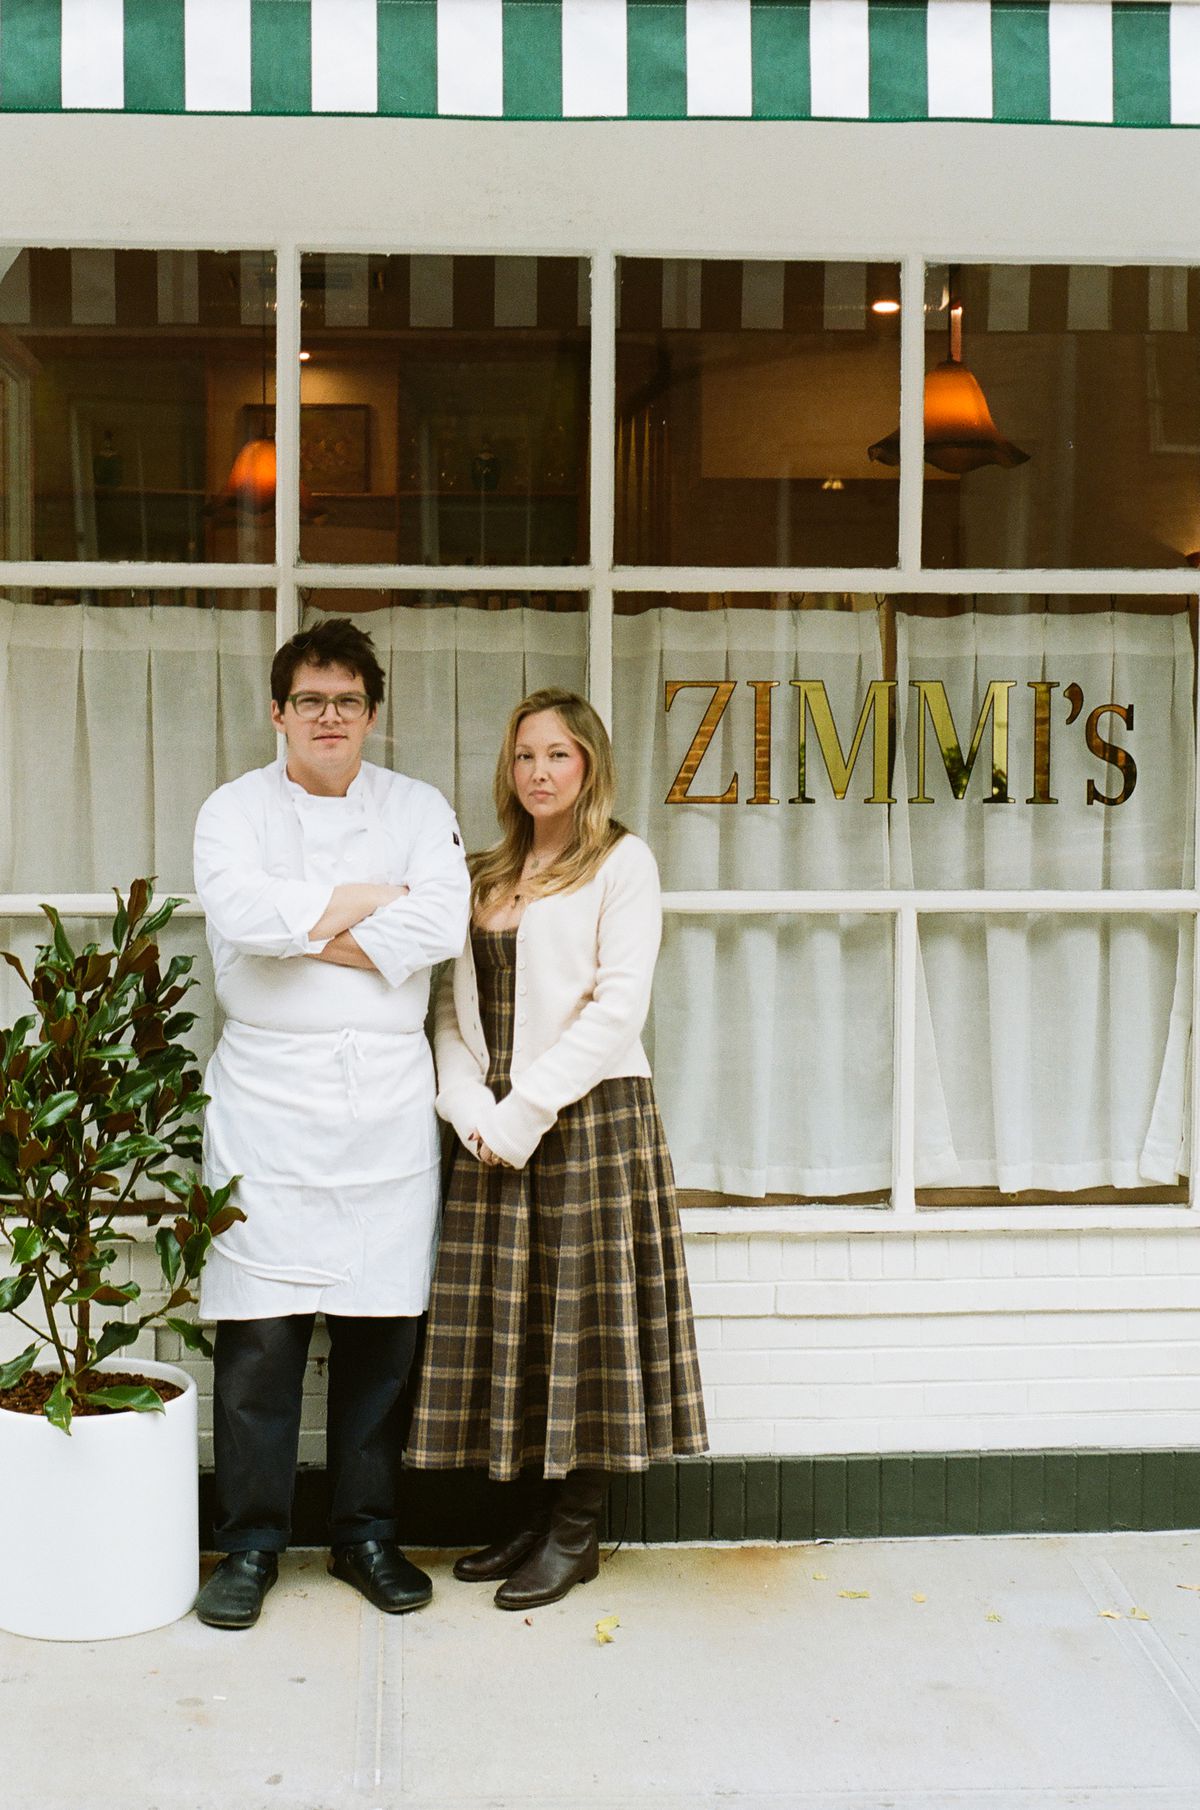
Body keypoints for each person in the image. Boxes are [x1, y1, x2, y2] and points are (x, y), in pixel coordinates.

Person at [191, 618, 469, 1631]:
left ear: (371, 712)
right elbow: (240, 918)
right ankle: (252, 1544)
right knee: (258, 1343)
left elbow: (439, 924)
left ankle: (364, 1534)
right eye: (309, 700)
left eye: (347, 701)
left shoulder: (417, 806)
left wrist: (309, 921)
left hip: (386, 1108)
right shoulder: (232, 811)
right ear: (277, 711)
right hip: (265, 1103)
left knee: (379, 1336)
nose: (328, 717)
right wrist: (370, 909)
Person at [405, 687, 707, 1609]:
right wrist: (469, 1111)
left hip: (586, 1123)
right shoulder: (487, 875)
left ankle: (576, 1533)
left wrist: (523, 1111)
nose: (540, 771)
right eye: (526, 755)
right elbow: (449, 1015)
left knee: (585, 1323)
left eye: (559, 755)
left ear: (590, 768)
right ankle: (531, 1519)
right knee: (523, 1326)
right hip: (493, 1133)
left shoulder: (623, 863)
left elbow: (618, 1008)